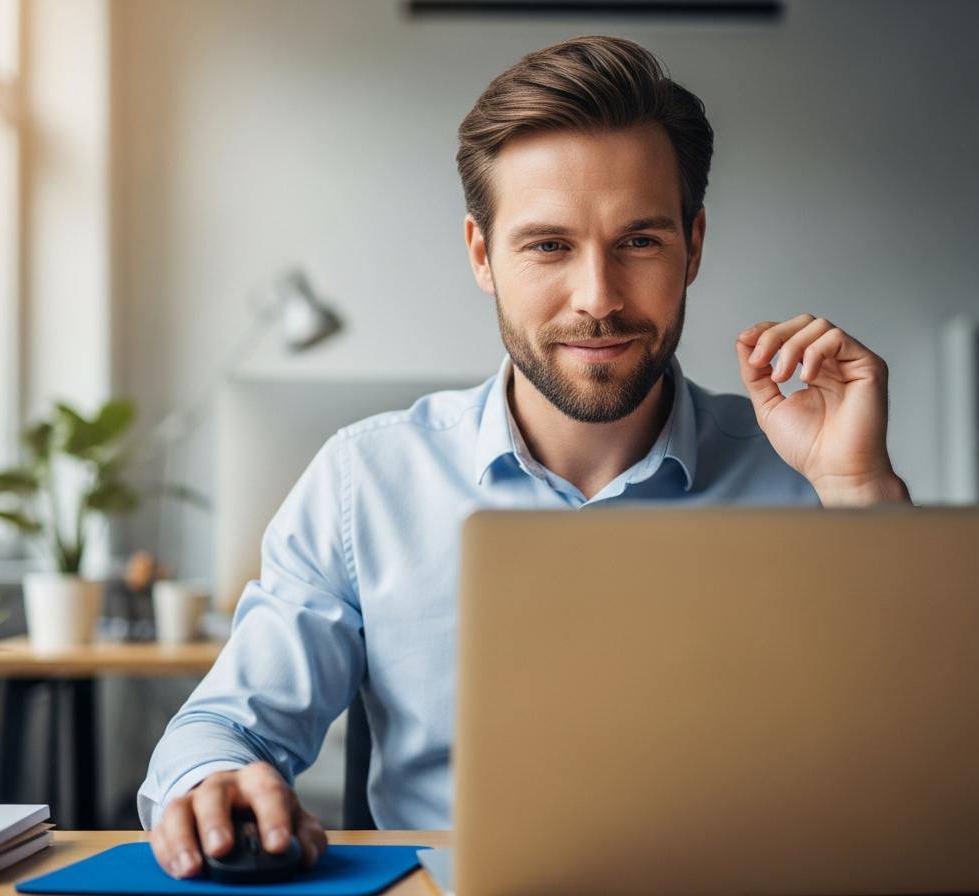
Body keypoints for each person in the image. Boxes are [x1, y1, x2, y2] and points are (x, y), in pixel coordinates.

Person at [139, 34, 912, 880]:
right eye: (548, 245)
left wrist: (855, 488)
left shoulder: (809, 476)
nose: (599, 298)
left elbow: (934, 755)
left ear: (694, 244)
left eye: (640, 242)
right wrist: (215, 780)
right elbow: (230, 727)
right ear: (482, 254)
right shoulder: (367, 482)